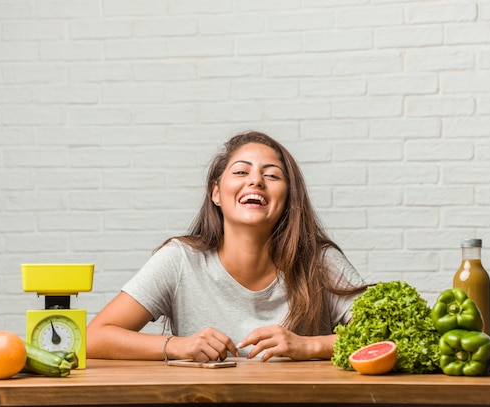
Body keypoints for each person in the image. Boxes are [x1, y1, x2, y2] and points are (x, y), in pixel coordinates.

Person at [86, 131, 368, 363]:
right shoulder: (180, 260)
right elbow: (92, 338)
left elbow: (387, 335)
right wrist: (177, 346)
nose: (255, 180)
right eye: (241, 171)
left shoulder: (320, 261)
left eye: (272, 175)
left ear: (289, 197)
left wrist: (309, 346)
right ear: (216, 193)